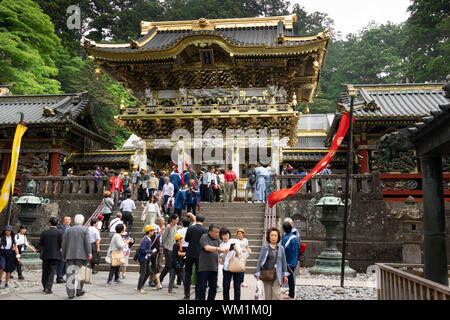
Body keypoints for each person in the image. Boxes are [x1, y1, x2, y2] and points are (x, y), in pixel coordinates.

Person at [61, 214, 92, 299]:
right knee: (80, 274)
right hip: (82, 255)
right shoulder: (85, 229)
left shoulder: (68, 230)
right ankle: (79, 291)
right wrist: (89, 253)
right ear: (82, 221)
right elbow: (87, 242)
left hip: (69, 255)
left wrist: (63, 255)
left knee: (70, 274)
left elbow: (64, 244)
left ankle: (70, 294)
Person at [255, 227, 289, 300]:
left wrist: (285, 275)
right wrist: (258, 273)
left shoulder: (281, 248)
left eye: (275, 235)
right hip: (266, 273)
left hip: (277, 274)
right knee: (268, 296)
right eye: (272, 235)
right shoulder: (265, 247)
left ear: (278, 237)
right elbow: (260, 260)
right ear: (269, 237)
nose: (273, 237)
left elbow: (284, 261)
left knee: (277, 294)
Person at [197, 224, 228, 300]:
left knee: (213, 288)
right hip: (204, 268)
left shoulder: (217, 240)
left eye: (218, 232)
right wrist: (218, 249)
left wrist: (219, 257)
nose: (218, 234)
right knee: (202, 288)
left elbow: (217, 253)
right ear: (210, 232)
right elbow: (207, 248)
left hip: (214, 268)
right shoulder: (204, 237)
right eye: (216, 232)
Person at [183, 214, 207, 300]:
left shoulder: (190, 228)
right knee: (198, 275)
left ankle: (187, 295)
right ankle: (197, 296)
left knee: (187, 274)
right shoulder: (205, 230)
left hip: (190, 253)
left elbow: (186, 240)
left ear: (196, 220)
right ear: (203, 221)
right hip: (200, 254)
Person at [38, 217, 62, 294]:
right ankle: (48, 288)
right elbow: (62, 244)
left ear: (49, 223)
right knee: (52, 272)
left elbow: (40, 243)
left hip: (46, 254)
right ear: (57, 223)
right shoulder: (59, 232)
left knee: (45, 271)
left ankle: (45, 286)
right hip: (55, 255)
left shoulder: (44, 232)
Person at [219, 227, 244, 300]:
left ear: (229, 234)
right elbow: (221, 258)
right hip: (226, 268)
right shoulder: (221, 245)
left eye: (226, 234)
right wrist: (225, 252)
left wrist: (236, 250)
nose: (225, 237)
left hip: (236, 266)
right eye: (223, 235)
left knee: (237, 287)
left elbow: (240, 255)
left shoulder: (234, 241)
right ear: (221, 236)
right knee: (226, 287)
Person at [136, 225, 157, 294]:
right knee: (143, 273)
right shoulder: (145, 240)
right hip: (143, 258)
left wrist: (150, 260)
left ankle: (141, 286)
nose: (153, 231)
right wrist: (151, 251)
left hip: (146, 258)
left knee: (148, 272)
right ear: (149, 231)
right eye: (152, 230)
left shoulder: (148, 239)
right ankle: (139, 288)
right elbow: (142, 250)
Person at [281, 222, 300, 300]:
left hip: (287, 262)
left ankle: (291, 295)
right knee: (291, 277)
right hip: (294, 261)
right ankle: (291, 293)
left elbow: (282, 251)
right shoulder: (295, 237)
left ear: (284, 229)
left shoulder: (285, 238)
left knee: (290, 279)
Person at [159, 214, 179, 284]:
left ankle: (171, 282)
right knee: (168, 265)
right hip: (168, 248)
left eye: (178, 219)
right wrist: (164, 246)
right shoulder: (168, 226)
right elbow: (164, 237)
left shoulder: (176, 226)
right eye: (176, 219)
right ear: (172, 220)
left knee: (173, 266)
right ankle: (159, 280)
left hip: (174, 248)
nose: (177, 221)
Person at [148, 218, 164, 289]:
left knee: (159, 264)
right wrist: (161, 231)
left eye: (163, 220)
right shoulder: (156, 228)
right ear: (158, 222)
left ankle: (156, 279)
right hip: (155, 248)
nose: (163, 222)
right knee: (153, 264)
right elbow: (156, 237)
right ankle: (151, 279)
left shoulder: (165, 228)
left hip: (161, 247)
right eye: (162, 220)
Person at [56, 216, 71, 284]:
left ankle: (61, 275)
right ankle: (59, 277)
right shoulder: (61, 228)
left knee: (66, 264)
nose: (67, 221)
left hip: (69, 248)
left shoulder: (71, 228)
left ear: (70, 221)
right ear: (64, 221)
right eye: (66, 219)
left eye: (68, 219)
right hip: (63, 248)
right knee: (61, 263)